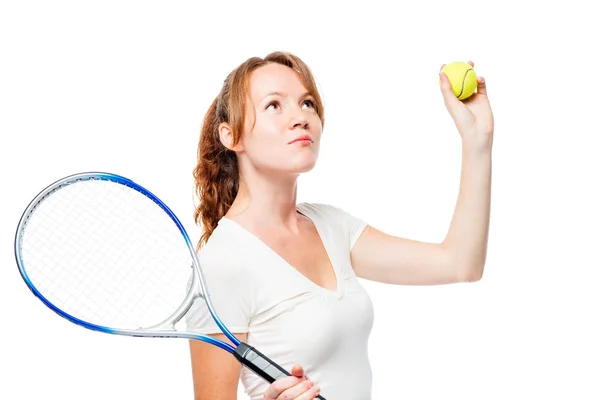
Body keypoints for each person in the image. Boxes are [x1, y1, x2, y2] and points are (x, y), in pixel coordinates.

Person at [185, 51, 494, 400]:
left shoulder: (331, 225)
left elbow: (460, 264)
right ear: (231, 136)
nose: (300, 117)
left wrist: (477, 141)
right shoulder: (223, 262)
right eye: (274, 105)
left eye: (307, 103)